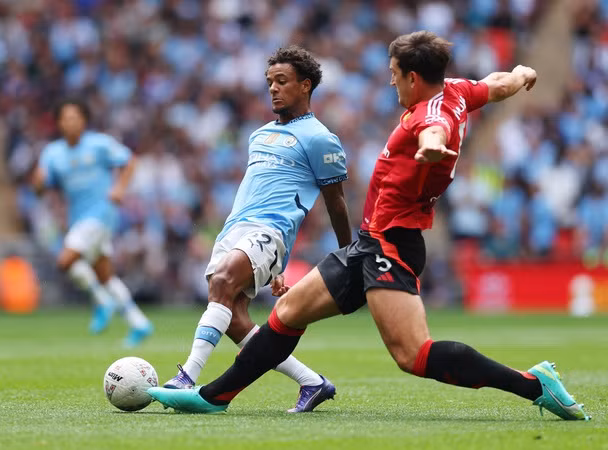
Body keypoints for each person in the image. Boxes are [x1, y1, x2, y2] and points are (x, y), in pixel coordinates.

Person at [148, 31, 590, 421]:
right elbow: (495, 85)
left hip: (392, 247)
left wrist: (432, 146)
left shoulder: (429, 116)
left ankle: (533, 384)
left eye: (394, 74)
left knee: (413, 355)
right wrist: (520, 73)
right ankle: (214, 397)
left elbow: (434, 130)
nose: (391, 82)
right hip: (369, 242)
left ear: (413, 78)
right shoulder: (456, 91)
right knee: (287, 314)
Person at [161, 46, 352, 413]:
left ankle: (186, 377)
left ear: (305, 85)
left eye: (282, 81)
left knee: (222, 284)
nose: (273, 89)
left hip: (269, 231)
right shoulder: (259, 135)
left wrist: (348, 255)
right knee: (233, 317)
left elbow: (336, 202)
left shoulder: (320, 138)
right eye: (269, 82)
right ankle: (311, 382)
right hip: (235, 230)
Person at [32, 99, 153, 347]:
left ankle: (101, 301)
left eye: (75, 117)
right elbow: (41, 188)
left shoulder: (99, 144)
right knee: (105, 275)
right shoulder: (52, 153)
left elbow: (130, 161)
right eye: (65, 118)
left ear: (84, 120)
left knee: (65, 261)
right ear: (58, 123)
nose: (71, 122)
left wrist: (119, 188)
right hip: (78, 218)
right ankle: (139, 323)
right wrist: (38, 182)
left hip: (102, 213)